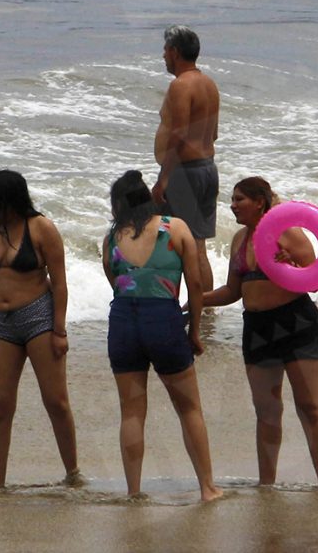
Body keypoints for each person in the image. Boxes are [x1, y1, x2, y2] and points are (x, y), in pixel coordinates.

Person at [202, 176, 318, 487]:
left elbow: (316, 278)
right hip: (257, 328)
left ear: (259, 202)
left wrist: (291, 266)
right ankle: (266, 484)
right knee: (266, 412)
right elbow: (233, 291)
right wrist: (197, 300)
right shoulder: (239, 240)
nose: (232, 206)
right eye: (232, 200)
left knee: (310, 406)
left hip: (296, 323)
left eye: (239, 200)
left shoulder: (287, 232)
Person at [103, 170, 223, 502]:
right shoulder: (174, 228)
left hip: (124, 322)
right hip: (164, 320)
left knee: (131, 413)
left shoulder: (112, 237)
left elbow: (115, 282)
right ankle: (207, 488)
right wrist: (195, 330)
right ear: (149, 198)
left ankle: (134, 490)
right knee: (189, 409)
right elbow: (196, 285)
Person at [0, 170, 81, 489]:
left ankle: (73, 473)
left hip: (38, 317)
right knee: (0, 405)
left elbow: (60, 283)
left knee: (56, 401)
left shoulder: (42, 229)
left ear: (10, 202)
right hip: (0, 323)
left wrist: (60, 331)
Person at [152, 25, 220, 291]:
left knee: (177, 246)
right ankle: (205, 310)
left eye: (165, 50)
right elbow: (212, 133)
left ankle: (186, 309)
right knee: (198, 245)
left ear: (175, 52)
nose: (163, 56)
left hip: (185, 172)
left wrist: (164, 179)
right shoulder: (208, 84)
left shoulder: (180, 85)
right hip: (206, 168)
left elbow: (178, 135)